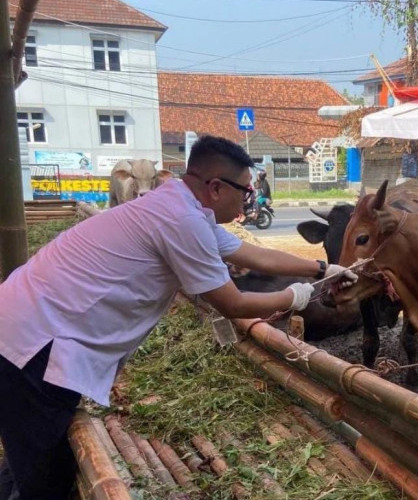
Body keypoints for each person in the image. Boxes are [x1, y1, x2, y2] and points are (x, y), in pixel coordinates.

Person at [0, 135, 357, 499]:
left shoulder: (180, 208)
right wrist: (295, 296)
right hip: (37, 347)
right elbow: (231, 303)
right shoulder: (181, 219)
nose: (247, 200)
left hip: (26, 328)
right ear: (216, 188)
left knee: (24, 461)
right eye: (245, 191)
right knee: (45, 481)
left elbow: (252, 254)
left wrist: (320, 268)